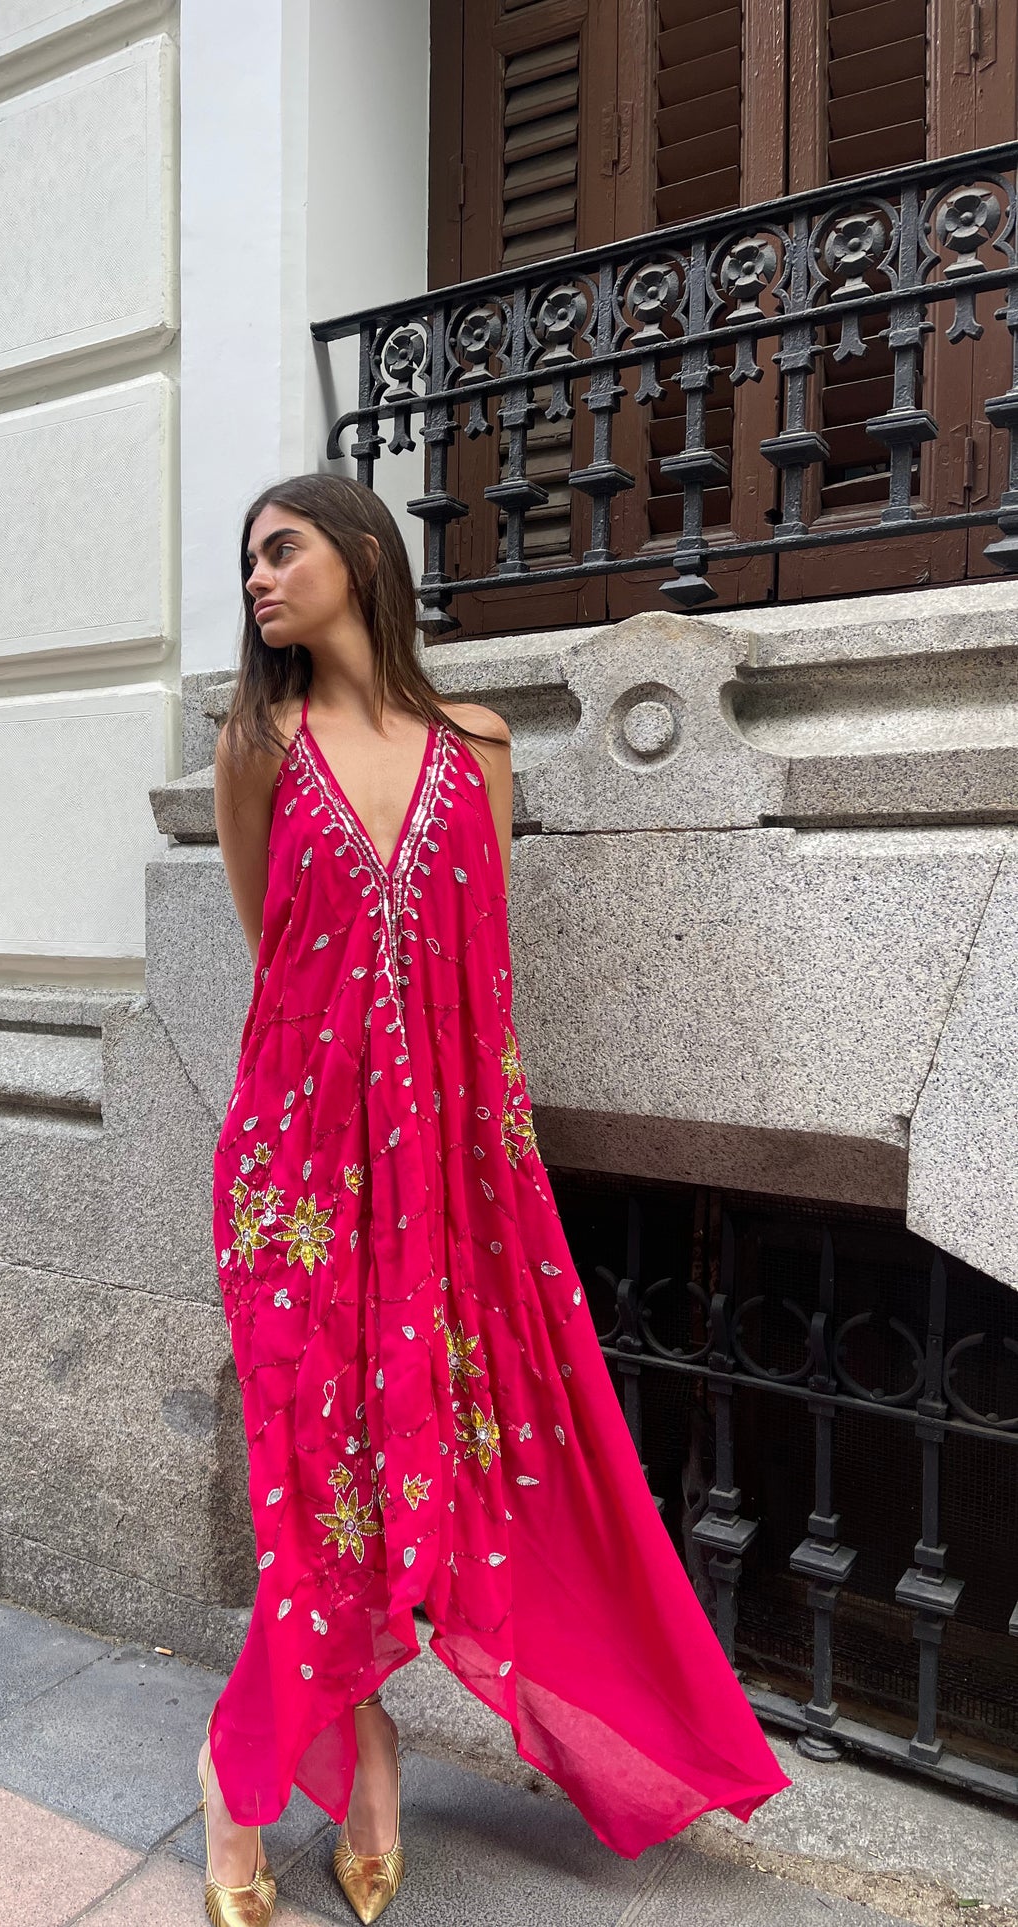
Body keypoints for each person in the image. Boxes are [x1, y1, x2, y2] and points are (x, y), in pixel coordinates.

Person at [196, 472, 789, 1924]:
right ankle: (242, 1773)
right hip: (299, 1186)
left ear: (357, 553)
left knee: (436, 1479)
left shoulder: (477, 744)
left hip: (452, 1185)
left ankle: (368, 1750)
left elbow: (480, 973)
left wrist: (472, 1164)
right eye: (247, 566)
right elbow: (270, 953)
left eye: (280, 552)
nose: (258, 583)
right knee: (308, 1475)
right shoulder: (257, 744)